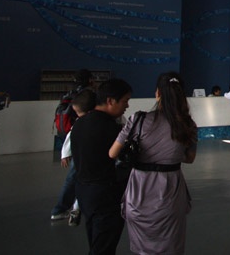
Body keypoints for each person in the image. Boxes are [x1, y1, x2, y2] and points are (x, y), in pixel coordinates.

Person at [109, 72, 197, 255]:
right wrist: (170, 154)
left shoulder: (138, 120)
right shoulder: (188, 125)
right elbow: (190, 158)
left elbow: (113, 153)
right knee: (171, 245)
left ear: (158, 93)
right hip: (171, 191)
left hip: (140, 190)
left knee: (142, 247)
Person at [70, 78, 132, 255]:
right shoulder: (110, 129)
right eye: (125, 101)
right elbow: (126, 158)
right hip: (104, 195)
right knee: (104, 246)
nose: (127, 106)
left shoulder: (80, 123)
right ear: (110, 101)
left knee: (95, 241)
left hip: (84, 192)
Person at [51, 88, 97, 225]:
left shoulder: (83, 121)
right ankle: (62, 209)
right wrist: (65, 154)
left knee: (78, 182)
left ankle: (75, 208)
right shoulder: (82, 121)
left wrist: (65, 154)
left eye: (78, 112)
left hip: (83, 157)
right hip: (81, 157)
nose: (77, 115)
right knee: (73, 181)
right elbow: (71, 137)